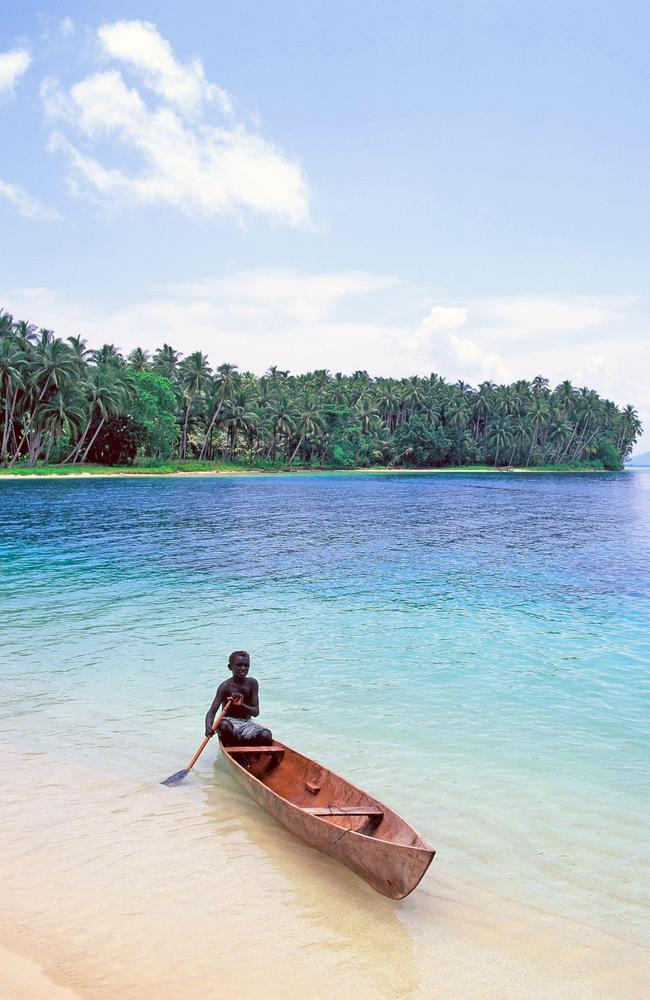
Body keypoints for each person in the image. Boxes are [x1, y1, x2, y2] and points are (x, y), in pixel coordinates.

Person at [205, 650, 273, 746]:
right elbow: (212, 712)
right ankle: (237, 752)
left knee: (266, 735)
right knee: (223, 725)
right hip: (229, 724)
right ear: (230, 667)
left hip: (246, 724)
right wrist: (208, 727)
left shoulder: (252, 683)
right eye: (239, 665)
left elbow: (256, 712)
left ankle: (245, 748)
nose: (243, 668)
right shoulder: (225, 686)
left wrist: (242, 706)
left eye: (246, 665)